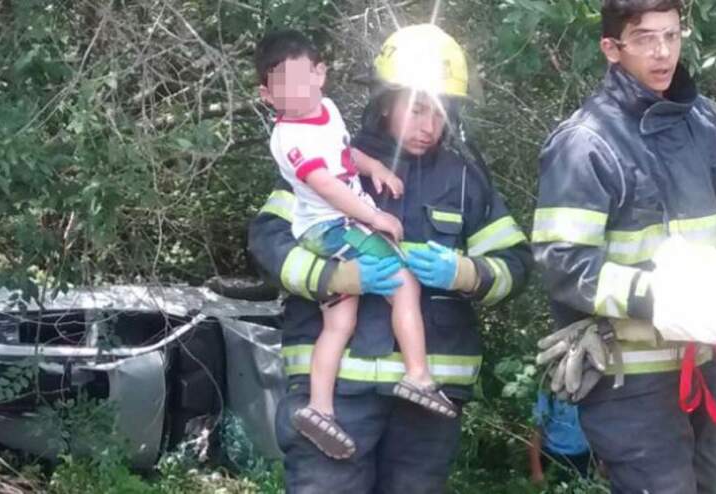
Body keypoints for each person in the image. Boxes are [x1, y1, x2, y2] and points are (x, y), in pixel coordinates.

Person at [248, 24, 531, 493]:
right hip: (335, 395)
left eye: (440, 113)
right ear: (385, 101)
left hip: (428, 399)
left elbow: (516, 264)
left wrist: (466, 273)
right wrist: (331, 275)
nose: (429, 126)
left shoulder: (465, 182)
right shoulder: (331, 160)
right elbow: (268, 239)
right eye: (417, 109)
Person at [532, 0, 716, 492]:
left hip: (703, 365)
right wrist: (662, 295)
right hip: (628, 379)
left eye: (672, 35)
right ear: (611, 49)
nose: (662, 52)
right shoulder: (586, 142)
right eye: (643, 39)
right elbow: (563, 262)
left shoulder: (706, 124)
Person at [254, 29, 458, 461]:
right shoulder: (289, 139)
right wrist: (373, 218)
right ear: (267, 94)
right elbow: (326, 187)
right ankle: (418, 375)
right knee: (403, 283)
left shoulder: (326, 112)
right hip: (332, 226)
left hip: (340, 223)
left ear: (321, 75)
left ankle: (319, 409)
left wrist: (376, 167)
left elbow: (345, 155)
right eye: (283, 84)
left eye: (302, 77)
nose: (428, 125)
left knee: (339, 323)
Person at [527, 391, 592, 485]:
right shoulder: (546, 394)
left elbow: (599, 426)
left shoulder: (588, 389)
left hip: (585, 457)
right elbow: (536, 433)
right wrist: (537, 471)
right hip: (556, 458)